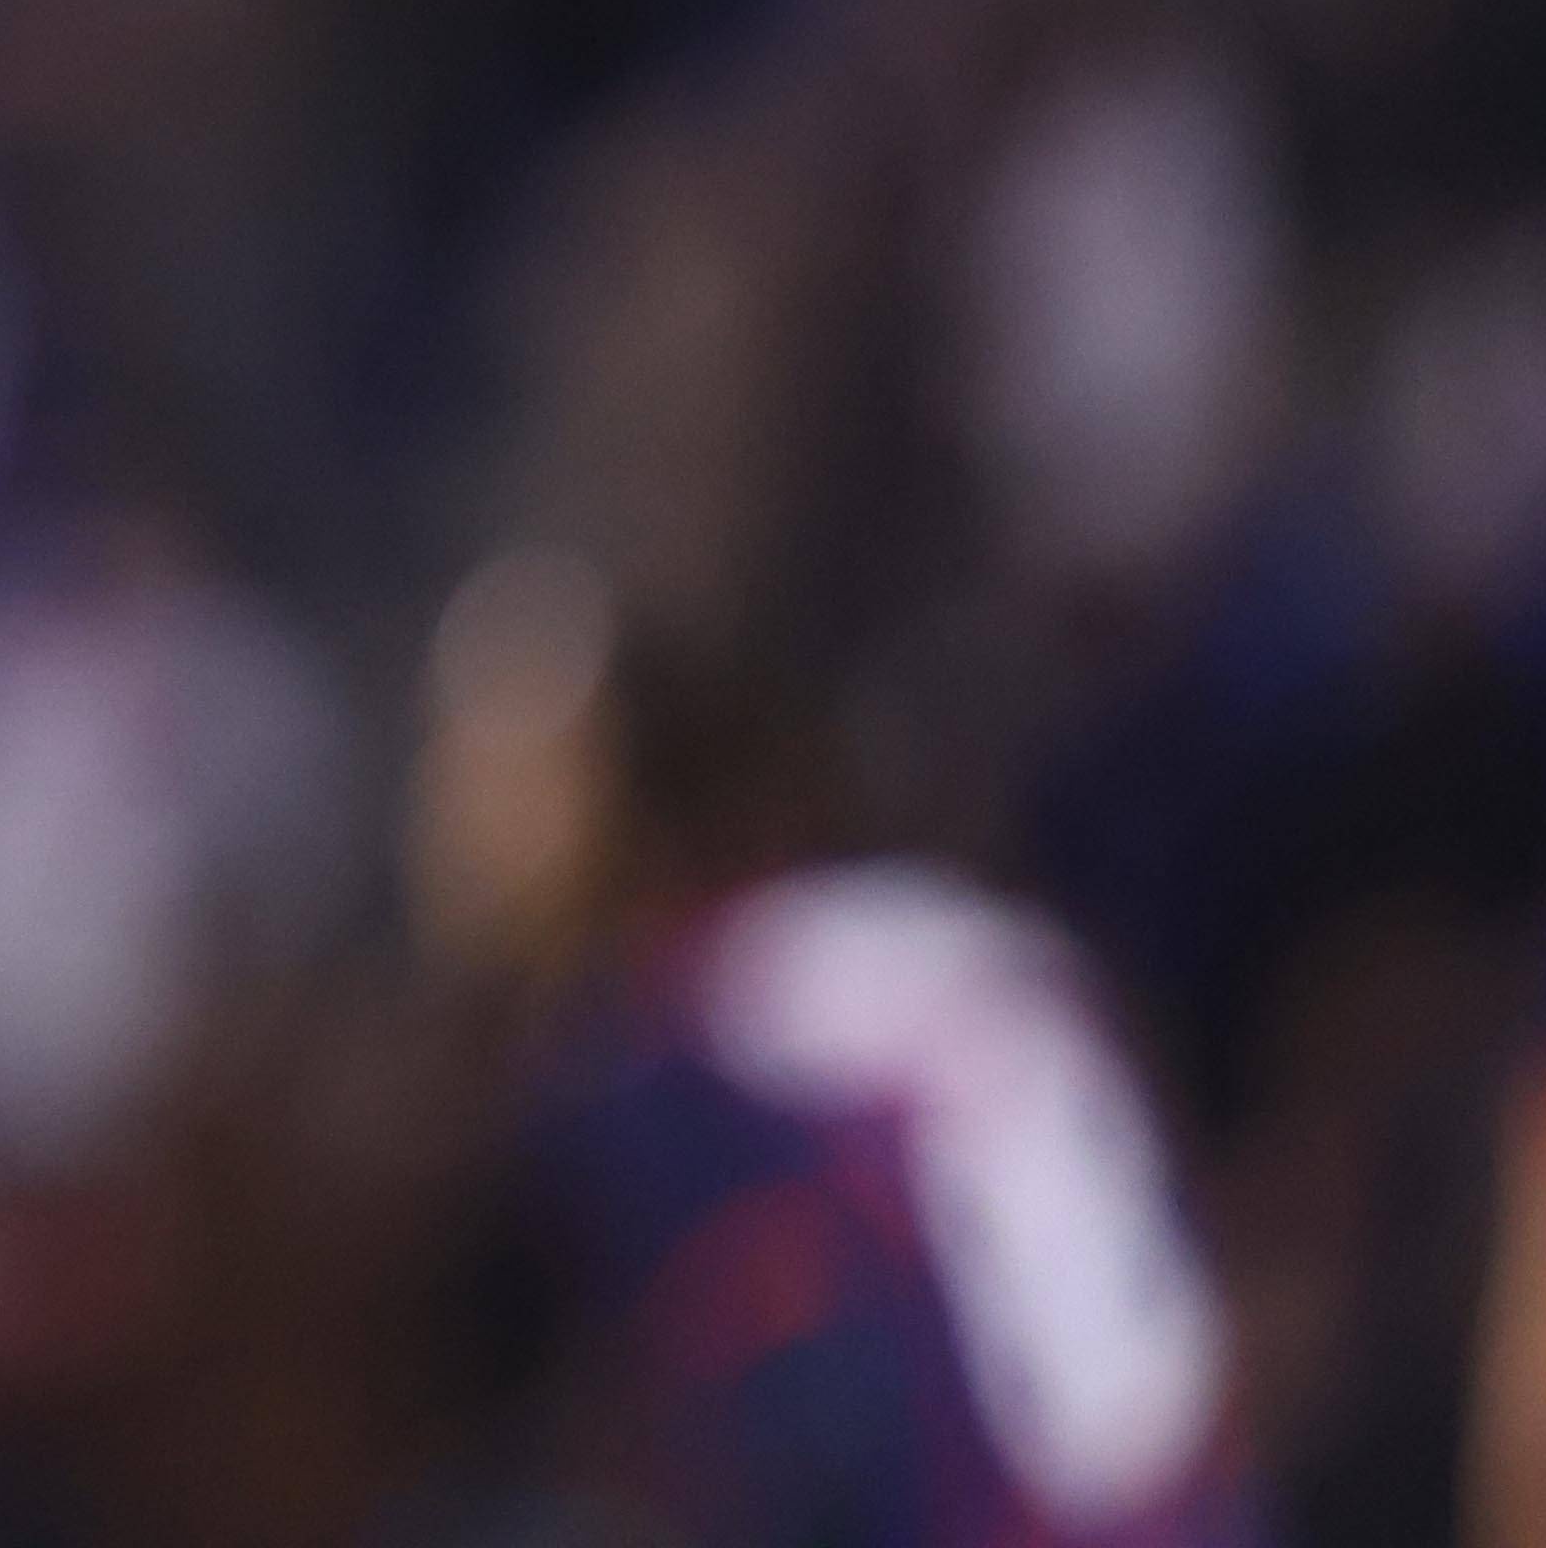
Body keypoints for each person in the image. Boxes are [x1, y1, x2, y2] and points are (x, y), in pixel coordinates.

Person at [405, 548, 1262, 1548]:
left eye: (503, 769)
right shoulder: (872, 956)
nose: (455, 813)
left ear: (619, 782)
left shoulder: (731, 1034)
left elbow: (1071, 1381)